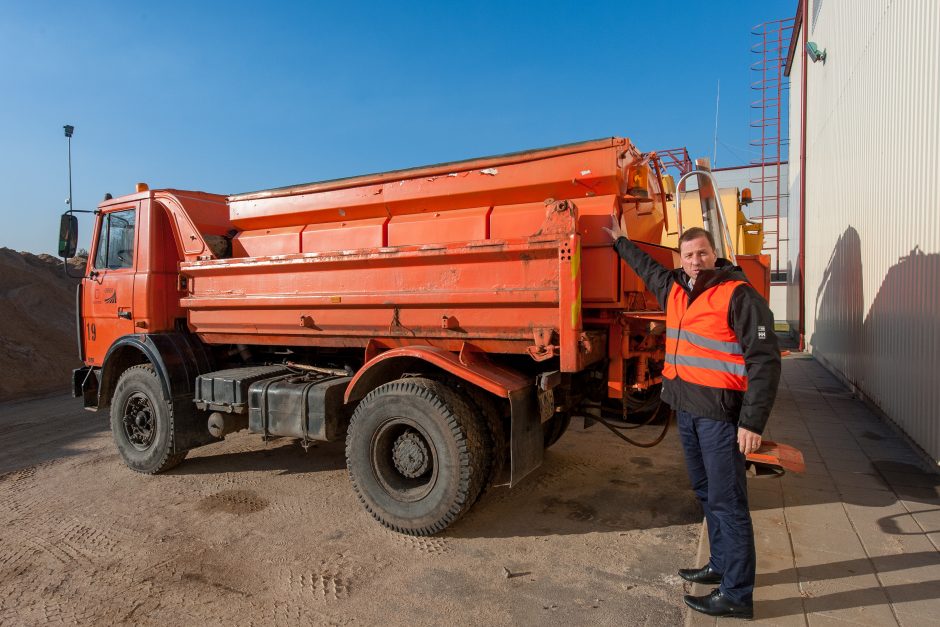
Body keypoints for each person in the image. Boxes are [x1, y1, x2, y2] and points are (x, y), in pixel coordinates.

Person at [603, 215, 781, 619]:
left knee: (727, 501)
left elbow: (765, 360)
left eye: (702, 252)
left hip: (720, 417)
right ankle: (720, 564)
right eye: (688, 254)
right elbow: (647, 269)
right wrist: (621, 241)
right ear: (681, 260)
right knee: (705, 493)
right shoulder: (675, 289)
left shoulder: (738, 294)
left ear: (713, 255)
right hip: (687, 410)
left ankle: (737, 593)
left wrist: (752, 422)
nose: (696, 260)